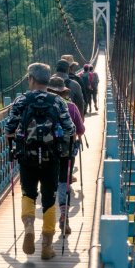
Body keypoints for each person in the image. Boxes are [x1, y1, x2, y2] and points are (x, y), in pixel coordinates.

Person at [5, 63, 75, 260]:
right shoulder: (58, 102)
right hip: (51, 158)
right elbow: (69, 129)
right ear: (46, 80)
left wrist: (12, 147)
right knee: (49, 199)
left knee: (28, 193)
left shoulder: (21, 101)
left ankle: (28, 226)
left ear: (31, 79)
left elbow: (9, 127)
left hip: (27, 157)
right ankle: (47, 246)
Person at [47, 75, 84, 235]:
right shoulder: (71, 106)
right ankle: (64, 216)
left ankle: (47, 223)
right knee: (64, 182)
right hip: (66, 151)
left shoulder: (42, 106)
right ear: (64, 92)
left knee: (48, 184)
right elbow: (81, 130)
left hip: (47, 151)